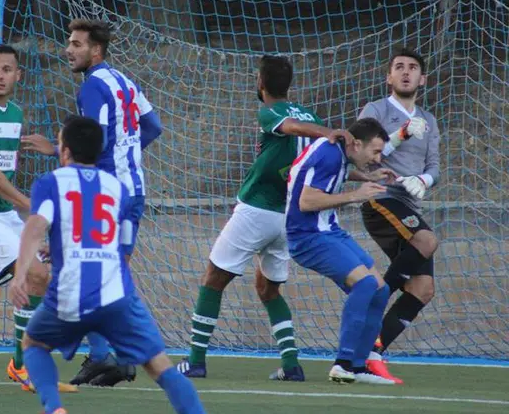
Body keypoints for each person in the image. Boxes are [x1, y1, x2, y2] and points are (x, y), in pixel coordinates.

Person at [177, 55, 380, 381]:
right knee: (268, 289)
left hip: (258, 209)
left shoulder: (271, 112)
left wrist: (327, 131)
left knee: (214, 278)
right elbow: (323, 164)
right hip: (289, 219)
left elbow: (287, 127)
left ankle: (196, 361)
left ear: (260, 82)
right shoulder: (311, 114)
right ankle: (291, 366)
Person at [9, 114, 205, 414]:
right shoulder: (118, 188)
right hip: (116, 298)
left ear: (64, 151)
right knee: (159, 365)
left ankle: (54, 408)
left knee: (33, 344)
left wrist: (20, 273)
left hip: (69, 296)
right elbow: (116, 239)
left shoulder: (49, 183)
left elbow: (35, 226)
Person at [21, 18, 163, 386]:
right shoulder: (124, 81)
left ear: (95, 50)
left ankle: (113, 355)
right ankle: (113, 357)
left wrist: (55, 149)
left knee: (91, 270)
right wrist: (125, 155)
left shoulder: (94, 87)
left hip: (106, 195)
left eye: (77, 44)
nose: (69, 49)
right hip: (134, 191)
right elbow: (154, 127)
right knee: (111, 271)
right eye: (69, 43)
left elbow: (94, 142)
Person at [0, 44, 76, 393]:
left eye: (7, 69)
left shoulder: (15, 111)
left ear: (18, 75)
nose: (0, 75)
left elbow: (1, 153)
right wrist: (32, 208)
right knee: (36, 274)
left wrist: (34, 146)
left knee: (42, 279)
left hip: (2, 213)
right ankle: (26, 368)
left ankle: (21, 365)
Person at [285, 118, 396, 384]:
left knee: (380, 289)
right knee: (366, 285)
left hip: (328, 231)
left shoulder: (337, 151)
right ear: (357, 144)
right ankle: (343, 363)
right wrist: (356, 195)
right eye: (376, 152)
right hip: (308, 237)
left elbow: (335, 174)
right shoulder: (329, 154)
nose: (378, 158)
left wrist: (367, 176)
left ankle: (358, 366)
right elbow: (306, 201)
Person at [356, 48, 440, 384]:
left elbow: (435, 167)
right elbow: (362, 157)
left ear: (423, 79)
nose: (406, 73)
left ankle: (371, 352)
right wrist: (400, 134)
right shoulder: (376, 110)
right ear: (389, 77)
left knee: (422, 288)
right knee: (427, 240)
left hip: (410, 205)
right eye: (399, 67)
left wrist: (424, 179)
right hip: (381, 199)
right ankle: (375, 295)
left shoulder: (430, 121)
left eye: (413, 68)